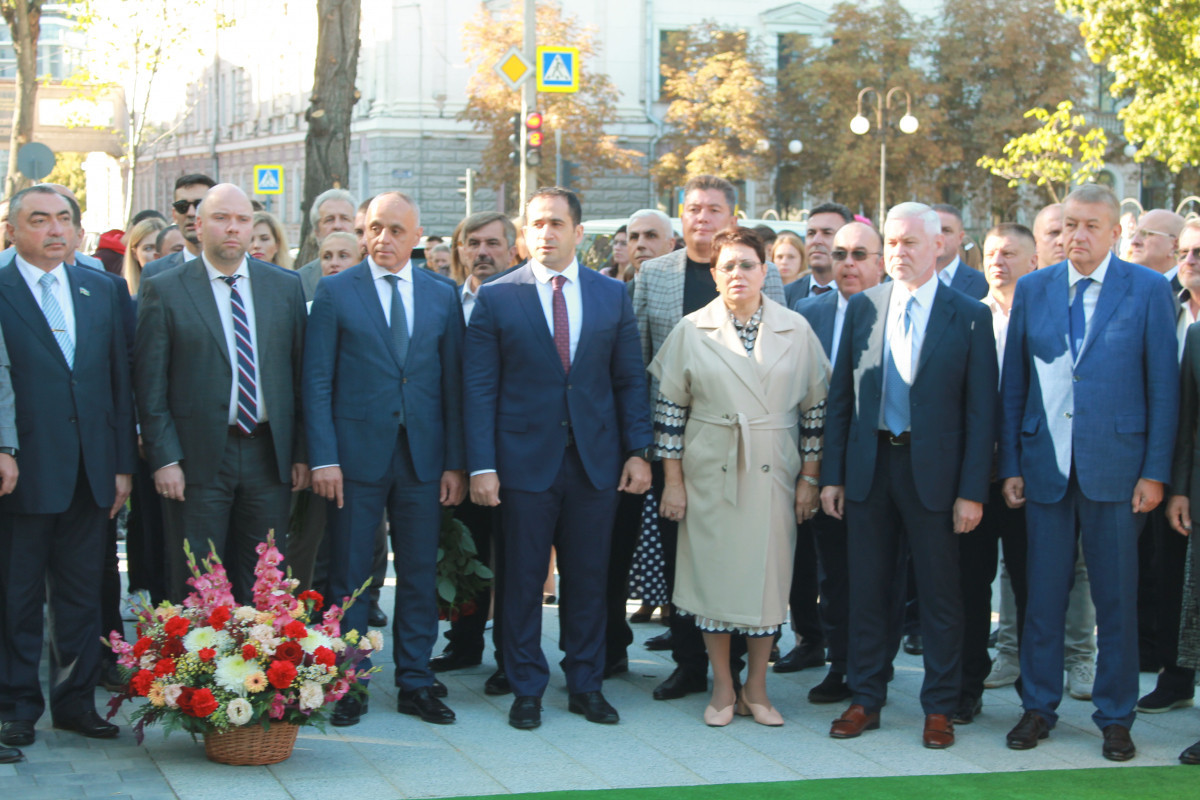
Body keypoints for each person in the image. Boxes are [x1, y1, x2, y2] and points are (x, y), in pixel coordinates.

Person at [999, 184, 1177, 761]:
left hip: (1120, 472)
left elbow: (1163, 390)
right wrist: (1012, 464)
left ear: (1116, 233)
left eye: (1091, 226)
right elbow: (1014, 387)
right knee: (1043, 597)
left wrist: (1155, 473)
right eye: (1070, 224)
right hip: (1045, 467)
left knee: (1116, 601)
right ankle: (1038, 707)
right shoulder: (1033, 288)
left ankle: (1116, 715)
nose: (1077, 236)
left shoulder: (1148, 290)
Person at [464, 187, 652, 730]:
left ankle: (586, 683)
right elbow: (480, 390)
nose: (545, 232)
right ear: (525, 233)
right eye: (536, 224)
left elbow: (627, 381)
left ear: (578, 232)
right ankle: (526, 685)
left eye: (556, 223)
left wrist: (638, 453)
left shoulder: (610, 296)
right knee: (521, 580)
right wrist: (482, 466)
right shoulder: (498, 297)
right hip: (521, 463)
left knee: (589, 579)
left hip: (595, 463)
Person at [821, 202, 997, 750]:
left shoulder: (969, 314)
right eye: (891, 243)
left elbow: (981, 413)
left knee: (942, 596)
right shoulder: (864, 308)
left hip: (937, 477)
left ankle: (940, 707)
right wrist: (833, 476)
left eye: (910, 243)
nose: (898, 252)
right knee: (869, 590)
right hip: (871, 467)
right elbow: (841, 401)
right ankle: (866, 697)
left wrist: (972, 491)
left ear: (937, 247)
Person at [648, 226, 828, 727]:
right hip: (709, 472)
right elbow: (668, 414)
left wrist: (809, 479)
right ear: (714, 273)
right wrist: (675, 483)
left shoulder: (797, 328)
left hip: (774, 471)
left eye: (747, 264)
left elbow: (816, 412)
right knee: (714, 583)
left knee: (768, 582)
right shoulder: (691, 329)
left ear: (764, 270)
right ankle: (723, 686)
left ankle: (758, 687)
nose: (737, 274)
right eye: (727, 265)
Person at [304, 191, 465, 728]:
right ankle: (347, 681)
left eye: (396, 230)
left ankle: (416, 680)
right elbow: (317, 381)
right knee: (350, 576)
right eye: (374, 228)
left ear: (416, 238)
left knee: (419, 573)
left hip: (423, 459)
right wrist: (323, 456)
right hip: (354, 460)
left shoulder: (442, 295)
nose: (383, 239)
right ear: (360, 229)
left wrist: (455, 463)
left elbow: (453, 385)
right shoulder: (336, 291)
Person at [632, 175, 786, 702]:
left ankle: (745, 663)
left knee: (745, 554)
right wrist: (646, 450)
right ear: (681, 215)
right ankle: (688, 662)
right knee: (684, 556)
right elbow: (640, 365)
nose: (702, 218)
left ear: (731, 217)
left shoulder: (761, 275)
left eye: (713, 209)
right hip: (678, 449)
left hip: (750, 451)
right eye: (693, 208)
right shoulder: (654, 274)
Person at [0, 186, 136, 747]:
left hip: (92, 469)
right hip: (24, 471)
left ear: (78, 230)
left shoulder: (103, 289)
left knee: (83, 595)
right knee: (17, 595)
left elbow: (120, 381)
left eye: (64, 220)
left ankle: (76, 703)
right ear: (12, 230)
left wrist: (122, 464)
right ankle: (15, 707)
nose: (54, 230)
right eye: (39, 220)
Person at [134, 184, 309, 602]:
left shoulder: (284, 287)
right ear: (197, 225)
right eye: (221, 218)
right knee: (198, 578)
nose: (233, 228)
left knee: (265, 578)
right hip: (196, 461)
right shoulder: (166, 288)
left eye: (242, 219)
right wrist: (164, 459)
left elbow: (301, 377)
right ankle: (200, 667)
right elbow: (150, 383)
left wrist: (301, 452)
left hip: (269, 456)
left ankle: (259, 666)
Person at [786, 222, 884, 704]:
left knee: (879, 575)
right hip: (822, 465)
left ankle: (873, 667)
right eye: (841, 253)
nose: (848, 263)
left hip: (884, 468)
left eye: (860, 254)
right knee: (834, 574)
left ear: (879, 262)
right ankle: (839, 663)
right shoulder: (808, 310)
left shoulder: (895, 310)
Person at [954, 223, 1038, 725]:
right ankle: (967, 686)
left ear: (1033, 261)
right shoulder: (966, 317)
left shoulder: (1047, 316)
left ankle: (1035, 692)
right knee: (969, 585)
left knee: (1033, 586)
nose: (998, 262)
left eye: (1010, 254)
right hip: (973, 478)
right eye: (991, 253)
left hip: (1029, 478)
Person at [431, 211, 518, 695]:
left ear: (511, 250)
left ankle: (510, 654)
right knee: (460, 551)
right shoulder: (445, 301)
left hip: (511, 454)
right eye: (473, 243)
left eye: (493, 243)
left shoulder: (525, 299)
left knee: (509, 558)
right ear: (460, 250)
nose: (482, 252)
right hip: (456, 455)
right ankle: (463, 642)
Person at [1166, 226, 1200, 763]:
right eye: (1187, 251)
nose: (1191, 259)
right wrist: (1179, 492)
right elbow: (1188, 425)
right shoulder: (1193, 334)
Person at [140, 174, 216, 280]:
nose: (191, 213)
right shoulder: (155, 271)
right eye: (182, 206)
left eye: (199, 205)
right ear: (174, 214)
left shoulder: (236, 266)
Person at [784, 203, 853, 306]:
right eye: (811, 233)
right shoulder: (786, 294)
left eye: (827, 233)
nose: (816, 241)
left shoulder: (859, 293)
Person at [296, 189, 357, 300]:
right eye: (329, 220)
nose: (337, 226)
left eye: (344, 218)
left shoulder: (374, 275)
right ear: (317, 232)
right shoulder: (300, 281)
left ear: (356, 226)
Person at [930, 204, 988, 300]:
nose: (939, 237)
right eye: (934, 229)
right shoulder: (907, 279)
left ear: (960, 237)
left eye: (946, 230)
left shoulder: (982, 284)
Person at [121, 217, 167, 296]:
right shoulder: (122, 295)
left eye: (160, 247)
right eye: (148, 248)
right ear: (134, 253)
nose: (156, 254)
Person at [626, 209, 675, 277]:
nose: (640, 244)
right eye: (634, 237)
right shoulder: (621, 288)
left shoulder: (689, 286)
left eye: (651, 236)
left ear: (670, 245)